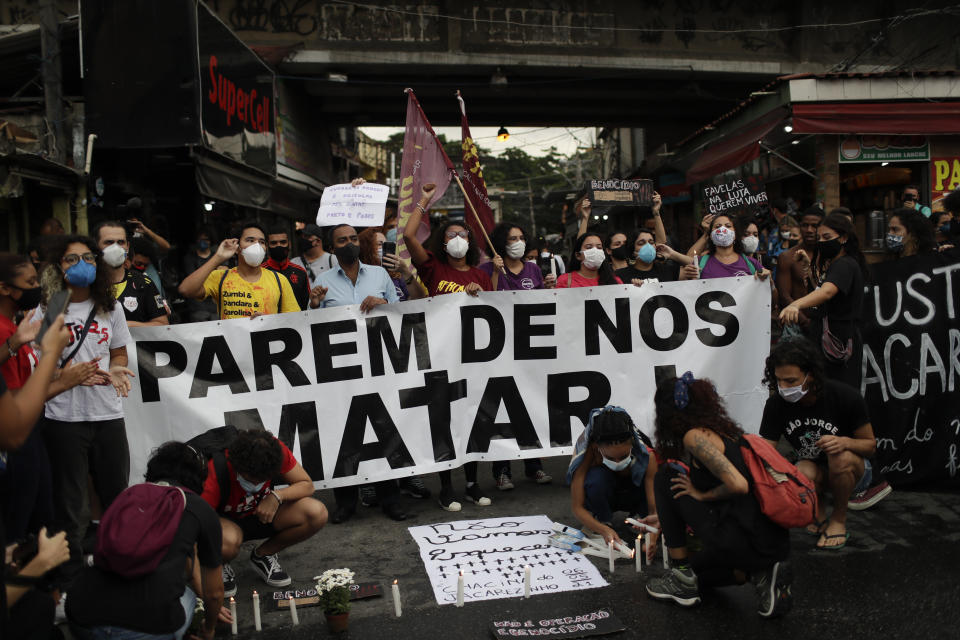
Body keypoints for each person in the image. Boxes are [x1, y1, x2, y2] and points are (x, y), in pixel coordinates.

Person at [645, 373, 791, 618]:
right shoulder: (725, 431)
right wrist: (673, 517)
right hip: (768, 539)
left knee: (666, 477)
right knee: (701, 575)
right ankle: (757, 574)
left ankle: (681, 576)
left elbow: (738, 485)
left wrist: (702, 496)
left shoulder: (695, 436)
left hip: (741, 534)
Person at [38, 234, 136, 588]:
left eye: (87, 259)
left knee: (116, 500)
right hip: (63, 420)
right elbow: (39, 368)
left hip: (108, 416)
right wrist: (67, 377)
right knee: (71, 508)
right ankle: (70, 585)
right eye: (70, 260)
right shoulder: (50, 310)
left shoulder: (112, 308)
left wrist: (118, 368)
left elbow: (119, 351)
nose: (80, 265)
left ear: (97, 265)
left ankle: (118, 575)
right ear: (59, 269)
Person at [67, 442, 228, 640]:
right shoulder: (200, 509)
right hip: (144, 631)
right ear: (199, 480)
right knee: (188, 597)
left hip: (83, 617)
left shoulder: (127, 497)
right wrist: (209, 628)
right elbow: (213, 593)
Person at [308, 223, 408, 523]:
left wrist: (383, 302)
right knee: (346, 433)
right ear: (333, 247)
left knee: (383, 430)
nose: (350, 243)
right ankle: (346, 502)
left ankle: (390, 499)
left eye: (353, 238)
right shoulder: (322, 280)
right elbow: (310, 325)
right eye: (343, 240)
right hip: (342, 369)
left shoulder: (379, 274)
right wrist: (314, 304)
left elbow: (400, 309)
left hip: (380, 366)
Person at [0, 254, 104, 542]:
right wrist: (61, 381)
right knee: (22, 526)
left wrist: (62, 375)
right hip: (19, 441)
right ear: (5, 288)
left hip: (33, 434)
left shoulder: (15, 327)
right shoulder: (6, 331)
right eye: (30, 282)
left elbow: (26, 383)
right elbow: (14, 404)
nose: (38, 288)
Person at [404, 183, 493, 512]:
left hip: (471, 361)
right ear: (442, 242)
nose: (458, 239)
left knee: (470, 419)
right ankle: (446, 487)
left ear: (471, 243)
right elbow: (410, 237)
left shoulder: (481, 277)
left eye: (464, 235)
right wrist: (424, 201)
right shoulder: (433, 268)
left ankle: (471, 482)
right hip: (439, 359)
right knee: (442, 420)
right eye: (451, 234)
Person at [760, 340, 877, 549]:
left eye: (791, 381)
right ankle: (818, 512)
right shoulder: (776, 404)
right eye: (779, 380)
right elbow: (766, 452)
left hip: (855, 471)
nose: (784, 387)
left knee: (839, 457)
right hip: (815, 469)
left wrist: (844, 442)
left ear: (811, 375)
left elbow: (870, 446)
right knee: (800, 469)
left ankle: (838, 520)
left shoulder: (844, 396)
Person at [201, 430, 327, 597]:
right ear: (236, 466)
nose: (255, 484)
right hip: (224, 521)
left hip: (262, 513)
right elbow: (197, 524)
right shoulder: (215, 469)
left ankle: (263, 555)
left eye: (262, 479)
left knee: (316, 513)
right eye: (250, 479)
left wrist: (277, 497)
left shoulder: (274, 452)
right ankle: (220, 563)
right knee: (228, 543)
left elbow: (306, 484)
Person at [778, 212, 867, 388]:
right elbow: (822, 291)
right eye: (820, 238)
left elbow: (826, 292)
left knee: (837, 392)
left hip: (838, 343)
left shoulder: (845, 264)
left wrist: (796, 304)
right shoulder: (834, 264)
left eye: (827, 237)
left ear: (843, 238)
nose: (822, 242)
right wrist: (809, 271)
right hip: (825, 342)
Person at [567, 406, 658, 551]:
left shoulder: (647, 455)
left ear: (632, 443)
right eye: (610, 458)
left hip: (633, 493)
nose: (617, 462)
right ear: (597, 447)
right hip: (605, 491)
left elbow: (655, 509)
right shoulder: (587, 453)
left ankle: (639, 519)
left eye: (622, 457)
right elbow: (577, 507)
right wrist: (603, 529)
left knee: (654, 487)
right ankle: (602, 519)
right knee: (596, 480)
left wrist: (653, 535)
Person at [178, 222, 300, 319]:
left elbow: (294, 319)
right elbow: (186, 290)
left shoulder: (279, 280)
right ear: (237, 248)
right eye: (250, 240)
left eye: (261, 242)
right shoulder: (221, 277)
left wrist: (269, 321)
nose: (256, 246)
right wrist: (217, 258)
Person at [94, 221, 170, 327]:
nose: (115, 247)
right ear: (96, 246)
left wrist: (125, 326)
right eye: (109, 242)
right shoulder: (87, 284)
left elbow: (163, 325)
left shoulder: (143, 283)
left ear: (128, 246)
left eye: (121, 242)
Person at [683, 214, 771, 281]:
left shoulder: (752, 263)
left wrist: (769, 282)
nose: (722, 230)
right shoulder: (700, 263)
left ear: (735, 234)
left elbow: (770, 299)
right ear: (711, 235)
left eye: (728, 226)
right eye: (717, 226)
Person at [776, 206, 824, 329]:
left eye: (815, 226)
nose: (809, 230)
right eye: (805, 225)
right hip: (797, 324)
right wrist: (805, 322)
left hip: (826, 323)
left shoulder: (829, 256)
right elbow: (784, 295)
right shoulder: (787, 257)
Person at [358, 228, 424, 302]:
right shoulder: (361, 277)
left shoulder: (396, 275)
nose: (384, 248)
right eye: (380, 244)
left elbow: (419, 298)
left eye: (386, 244)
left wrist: (405, 271)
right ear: (366, 248)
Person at [615, 228, 688, 285]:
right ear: (633, 251)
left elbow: (698, 267)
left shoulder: (668, 271)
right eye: (641, 243)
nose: (648, 246)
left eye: (651, 242)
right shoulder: (621, 275)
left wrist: (672, 254)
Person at [264, 225, 311, 311]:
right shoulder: (260, 272)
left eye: (283, 242)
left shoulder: (300, 272)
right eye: (274, 243)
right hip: (269, 323)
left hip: (296, 322)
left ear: (289, 244)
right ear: (267, 246)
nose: (279, 246)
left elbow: (306, 305)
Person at [557, 233, 623, 288]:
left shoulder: (615, 281)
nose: (595, 251)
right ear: (578, 255)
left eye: (599, 247)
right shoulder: (565, 281)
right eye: (589, 247)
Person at [181, 229, 218, 322]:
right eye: (200, 239)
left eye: (206, 239)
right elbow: (192, 282)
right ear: (196, 240)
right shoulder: (189, 258)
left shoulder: (217, 257)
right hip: (197, 307)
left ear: (210, 241)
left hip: (215, 306)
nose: (203, 242)